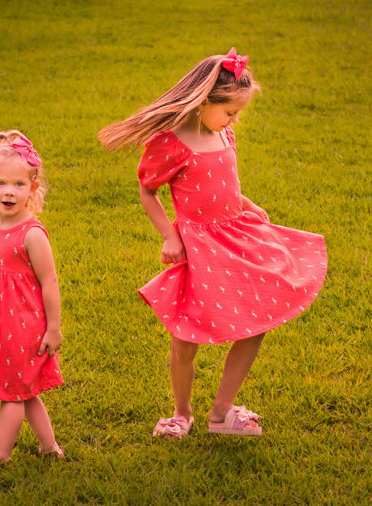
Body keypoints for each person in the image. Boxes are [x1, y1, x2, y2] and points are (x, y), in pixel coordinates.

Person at [98, 49, 327, 439]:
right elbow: (147, 191)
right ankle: (181, 413)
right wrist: (170, 236)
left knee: (257, 321)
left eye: (237, 114)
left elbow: (225, 186)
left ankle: (221, 411)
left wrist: (249, 205)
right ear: (203, 102)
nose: (235, 120)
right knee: (186, 338)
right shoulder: (170, 144)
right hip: (198, 246)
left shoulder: (224, 133)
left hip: (236, 235)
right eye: (230, 112)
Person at [0, 131, 64, 466]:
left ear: (33, 189)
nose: (9, 191)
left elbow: (49, 283)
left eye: (19, 185)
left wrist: (53, 329)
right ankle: (50, 448)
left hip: (24, 324)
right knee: (27, 390)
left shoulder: (33, 234)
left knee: (11, 395)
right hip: (0, 320)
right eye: (2, 183)